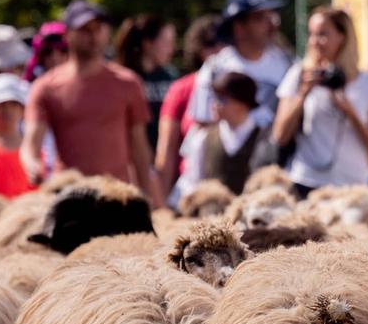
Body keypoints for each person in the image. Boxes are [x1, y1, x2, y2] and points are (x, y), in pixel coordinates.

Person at [23, 0, 161, 203]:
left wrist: (148, 199)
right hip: (68, 200)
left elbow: (139, 148)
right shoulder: (46, 88)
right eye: (85, 30)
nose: (94, 36)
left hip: (117, 198)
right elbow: (30, 145)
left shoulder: (128, 83)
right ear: (68, 34)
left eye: (99, 29)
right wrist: (31, 164)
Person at [273, 6, 368, 197]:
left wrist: (350, 112)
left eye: (322, 34)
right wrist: (303, 94)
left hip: (353, 187)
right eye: (311, 34)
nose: (314, 42)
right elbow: (280, 135)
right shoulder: (298, 75)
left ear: (342, 36)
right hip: (306, 182)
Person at [191, 0, 292, 126]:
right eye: (260, 18)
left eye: (271, 16)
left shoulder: (288, 64)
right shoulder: (215, 69)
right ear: (239, 28)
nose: (271, 25)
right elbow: (203, 125)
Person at [176, 72, 275, 196]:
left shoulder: (265, 138)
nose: (215, 104)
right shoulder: (203, 137)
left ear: (242, 104)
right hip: (212, 212)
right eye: (215, 98)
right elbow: (192, 181)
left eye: (222, 99)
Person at [155, 16, 220, 195]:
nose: (222, 49)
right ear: (201, 50)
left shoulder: (241, 86)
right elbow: (167, 150)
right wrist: (162, 200)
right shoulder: (181, 89)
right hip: (190, 193)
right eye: (215, 44)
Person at [114, 14, 179, 160]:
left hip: (164, 158)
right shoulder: (124, 79)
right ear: (148, 44)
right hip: (131, 158)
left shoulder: (171, 77)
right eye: (167, 42)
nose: (172, 49)